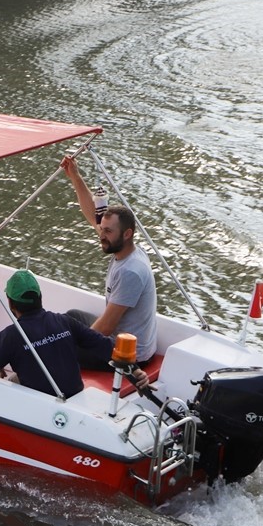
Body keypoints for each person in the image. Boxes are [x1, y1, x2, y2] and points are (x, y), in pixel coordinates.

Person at [60, 155, 158, 367]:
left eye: (107, 231)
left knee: (56, 350)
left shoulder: (130, 271)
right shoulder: (125, 248)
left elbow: (104, 327)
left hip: (128, 355)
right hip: (116, 337)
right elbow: (90, 214)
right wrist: (75, 176)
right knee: (70, 318)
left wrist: (66, 344)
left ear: (127, 233)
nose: (101, 235)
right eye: (101, 230)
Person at [0, 270, 116, 397]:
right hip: (76, 396)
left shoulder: (11, 336)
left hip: (41, 406)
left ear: (11, 304)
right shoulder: (65, 322)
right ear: (40, 297)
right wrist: (135, 372)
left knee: (10, 382)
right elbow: (105, 345)